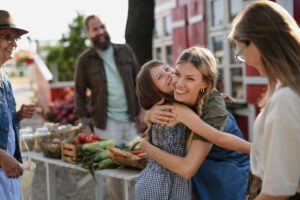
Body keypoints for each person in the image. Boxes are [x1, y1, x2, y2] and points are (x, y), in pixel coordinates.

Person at [141, 47, 250, 200]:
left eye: (190, 78)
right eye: (177, 74)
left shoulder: (210, 106)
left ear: (205, 83)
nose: (178, 82)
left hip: (224, 166)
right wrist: (149, 114)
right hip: (199, 163)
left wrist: (147, 148)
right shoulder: (172, 97)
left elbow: (218, 140)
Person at [228, 1, 300, 199]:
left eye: (241, 52)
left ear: (258, 43)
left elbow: (276, 192)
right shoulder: (288, 88)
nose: (244, 61)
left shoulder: (286, 98)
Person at [74, 14, 145, 146]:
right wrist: (85, 125)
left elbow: (141, 81)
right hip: (105, 125)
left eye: (102, 27)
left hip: (131, 121)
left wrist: (143, 111)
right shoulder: (84, 61)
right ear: (88, 33)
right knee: (111, 164)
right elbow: (79, 94)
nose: (100, 32)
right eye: (95, 29)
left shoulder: (125, 50)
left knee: (136, 160)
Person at [0, 10, 35, 200]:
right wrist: (3, 157)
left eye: (15, 39)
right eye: (7, 38)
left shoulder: (4, 77)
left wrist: (18, 115)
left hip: (8, 170)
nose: (14, 44)